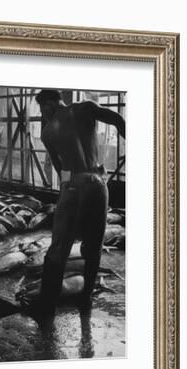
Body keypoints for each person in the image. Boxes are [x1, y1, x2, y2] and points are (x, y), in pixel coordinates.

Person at [34, 89, 125, 314]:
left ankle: (47, 306)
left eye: (41, 108)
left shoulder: (47, 131)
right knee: (94, 246)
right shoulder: (86, 108)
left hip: (74, 183)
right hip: (98, 183)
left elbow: (60, 169)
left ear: (47, 104)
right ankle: (86, 299)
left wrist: (67, 191)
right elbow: (118, 120)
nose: (43, 113)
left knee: (59, 248)